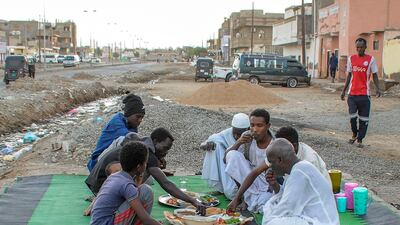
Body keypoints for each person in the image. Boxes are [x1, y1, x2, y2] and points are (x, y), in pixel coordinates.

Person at [85, 128, 207, 215]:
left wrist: (157, 160)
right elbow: (166, 183)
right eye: (164, 148)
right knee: (146, 189)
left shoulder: (142, 143)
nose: (165, 153)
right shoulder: (148, 153)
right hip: (101, 183)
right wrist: (192, 200)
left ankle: (99, 201)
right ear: (154, 141)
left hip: (96, 180)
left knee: (143, 178)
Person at [227, 126, 332, 213]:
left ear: (293, 146)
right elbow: (255, 172)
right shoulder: (282, 153)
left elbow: (299, 201)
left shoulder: (308, 162)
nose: (271, 166)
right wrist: (237, 198)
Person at [261, 139, 339, 225]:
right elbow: (285, 199)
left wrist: (269, 217)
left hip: (322, 222)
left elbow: (286, 208)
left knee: (272, 222)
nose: (271, 166)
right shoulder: (299, 169)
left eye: (272, 162)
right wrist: (274, 185)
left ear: (280, 160)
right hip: (313, 219)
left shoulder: (300, 172)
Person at [90, 141, 161, 225]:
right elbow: (144, 218)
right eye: (145, 162)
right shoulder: (127, 185)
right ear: (139, 166)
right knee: (146, 191)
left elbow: (137, 190)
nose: (146, 165)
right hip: (107, 222)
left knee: (141, 190)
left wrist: (139, 176)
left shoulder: (115, 176)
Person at [223, 109, 275, 213]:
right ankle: (245, 198)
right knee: (232, 155)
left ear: (268, 126)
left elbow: (259, 173)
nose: (254, 129)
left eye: (259, 126)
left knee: (264, 207)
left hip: (267, 183)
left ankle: (248, 199)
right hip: (249, 177)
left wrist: (235, 198)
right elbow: (225, 158)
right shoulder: (247, 136)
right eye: (252, 125)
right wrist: (238, 142)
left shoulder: (274, 145)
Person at [341, 38, 382, 148]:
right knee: (353, 116)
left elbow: (375, 75)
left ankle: (360, 139)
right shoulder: (351, 59)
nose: (359, 49)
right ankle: (354, 133)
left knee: (364, 119)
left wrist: (378, 88)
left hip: (364, 95)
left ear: (365, 47)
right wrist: (344, 90)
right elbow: (349, 75)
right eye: (357, 47)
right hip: (352, 95)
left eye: (361, 47)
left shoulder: (370, 59)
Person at [87, 94, 145, 171]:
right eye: (138, 116)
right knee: (124, 140)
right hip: (97, 164)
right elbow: (131, 141)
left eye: (142, 117)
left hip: (111, 160)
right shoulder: (117, 122)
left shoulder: (132, 126)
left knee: (147, 177)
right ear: (128, 114)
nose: (140, 120)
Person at [201, 113, 250, 200]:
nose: (236, 136)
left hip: (248, 171)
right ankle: (221, 186)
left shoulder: (253, 136)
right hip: (230, 169)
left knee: (232, 193)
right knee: (216, 144)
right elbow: (204, 144)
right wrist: (207, 145)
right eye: (234, 132)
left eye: (239, 134)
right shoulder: (227, 133)